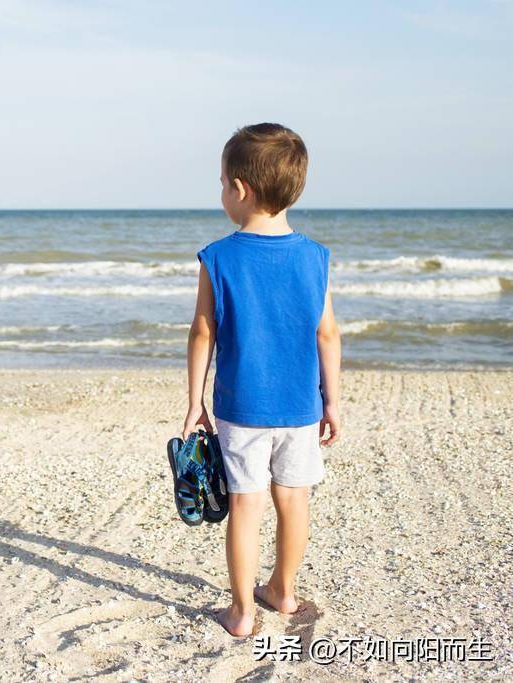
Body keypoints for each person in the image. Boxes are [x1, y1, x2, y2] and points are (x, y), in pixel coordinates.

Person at [181, 123, 342, 637]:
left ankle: (243, 612)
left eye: (223, 182)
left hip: (241, 407)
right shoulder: (315, 257)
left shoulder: (219, 256)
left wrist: (194, 402)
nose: (222, 192)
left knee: (246, 506)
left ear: (241, 189)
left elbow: (202, 333)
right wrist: (332, 403)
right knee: (294, 501)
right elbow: (328, 335)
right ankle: (284, 591)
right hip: (301, 406)